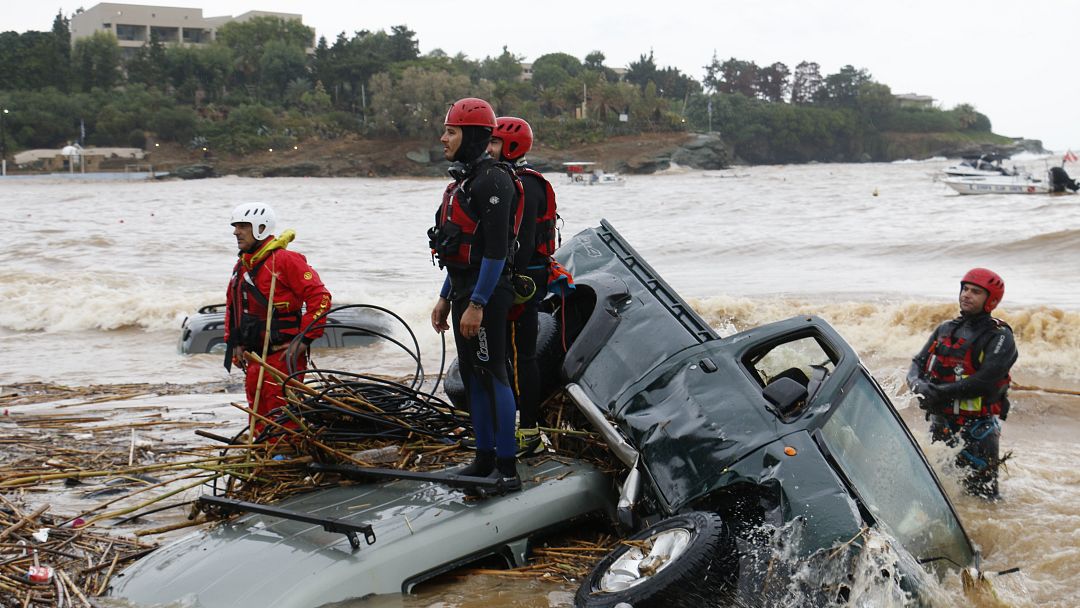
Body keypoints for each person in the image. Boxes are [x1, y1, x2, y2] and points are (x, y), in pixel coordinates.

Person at [428, 98, 524, 491]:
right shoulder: (463, 182)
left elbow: (496, 251)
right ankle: (483, 459)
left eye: (451, 131)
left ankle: (507, 467)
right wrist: (446, 297)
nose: (443, 138)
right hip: (466, 291)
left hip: (489, 294)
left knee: (493, 373)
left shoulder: (494, 180)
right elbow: (459, 253)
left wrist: (478, 304)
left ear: (472, 136)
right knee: (472, 376)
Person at [907, 268, 1017, 499]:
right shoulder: (946, 328)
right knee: (936, 494)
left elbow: (985, 382)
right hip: (940, 426)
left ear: (991, 300)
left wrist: (938, 393)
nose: (966, 295)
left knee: (983, 501)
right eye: (965, 289)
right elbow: (917, 362)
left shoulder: (999, 336)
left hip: (977, 433)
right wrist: (917, 385)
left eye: (975, 291)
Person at [224, 203, 331, 436]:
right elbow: (233, 308)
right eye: (235, 226)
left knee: (283, 413)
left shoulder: (285, 260)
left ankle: (283, 452)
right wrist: (234, 344)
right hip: (254, 357)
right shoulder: (241, 266)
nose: (236, 232)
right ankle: (264, 448)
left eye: (243, 226)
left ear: (261, 228)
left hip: (283, 355)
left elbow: (320, 297)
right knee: (258, 412)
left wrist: (305, 337)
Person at [488, 116, 559, 456]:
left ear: (511, 147)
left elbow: (524, 240)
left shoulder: (525, 185)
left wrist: (505, 282)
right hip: (520, 277)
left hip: (524, 281)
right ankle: (515, 427)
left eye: (494, 143)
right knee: (510, 356)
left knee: (520, 357)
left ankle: (527, 431)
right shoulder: (509, 179)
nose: (489, 149)